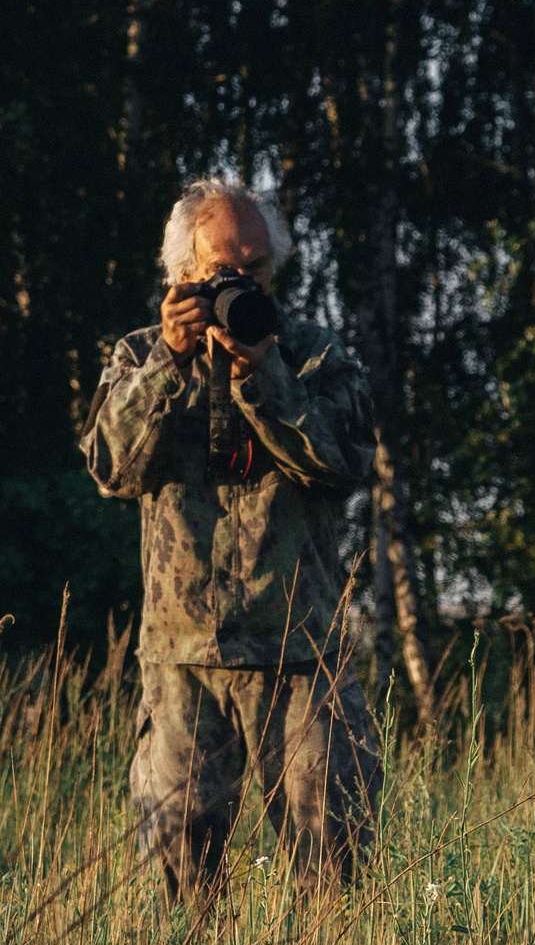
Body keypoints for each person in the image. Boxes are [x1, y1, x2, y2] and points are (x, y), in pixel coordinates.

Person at [82, 178, 381, 900]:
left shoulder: (314, 356)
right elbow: (109, 468)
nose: (239, 285)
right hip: (183, 654)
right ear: (183, 275)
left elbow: (345, 465)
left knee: (333, 881)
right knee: (178, 887)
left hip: (298, 651)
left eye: (256, 270)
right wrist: (171, 365)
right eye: (223, 271)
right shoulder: (140, 355)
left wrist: (266, 378)